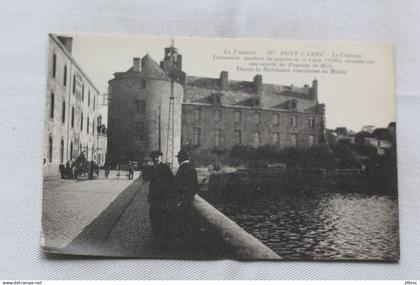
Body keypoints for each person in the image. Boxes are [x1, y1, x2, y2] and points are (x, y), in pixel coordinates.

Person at [171, 149, 199, 250]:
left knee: (181, 225)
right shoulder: (192, 167)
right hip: (188, 200)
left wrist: (181, 199)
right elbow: (195, 186)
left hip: (182, 202)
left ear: (180, 159)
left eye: (178, 158)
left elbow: (180, 185)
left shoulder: (183, 168)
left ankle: (182, 247)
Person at [148, 150, 174, 245]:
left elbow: (171, 182)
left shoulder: (165, 168)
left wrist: (166, 196)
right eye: (154, 157)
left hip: (162, 198)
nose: (155, 159)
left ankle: (161, 240)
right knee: (153, 217)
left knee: (161, 218)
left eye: (157, 157)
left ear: (161, 158)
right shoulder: (153, 168)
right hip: (154, 198)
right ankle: (156, 237)